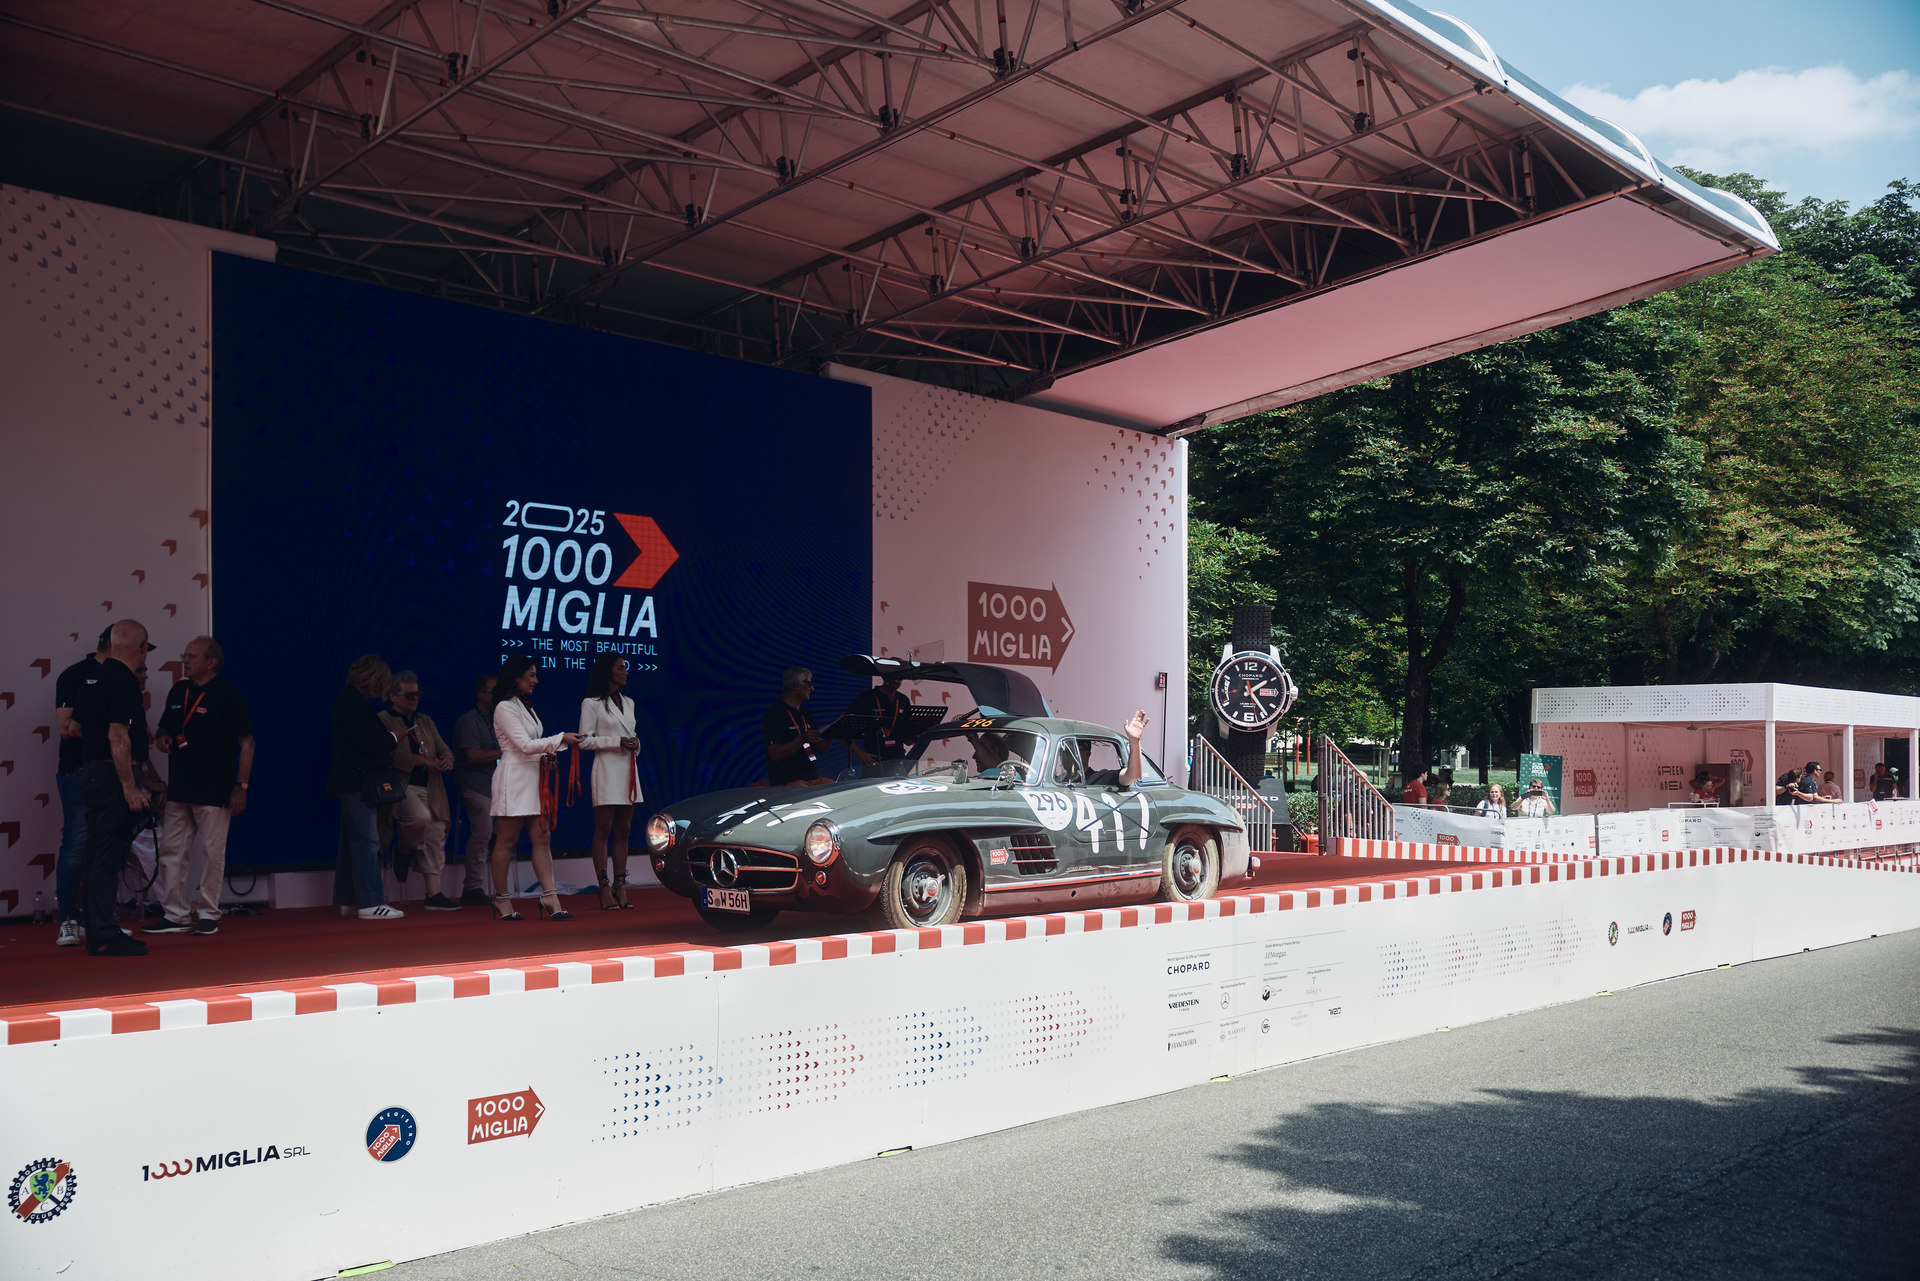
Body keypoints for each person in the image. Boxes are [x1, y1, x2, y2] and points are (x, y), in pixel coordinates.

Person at [143, 636, 253, 936]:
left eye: (191, 656)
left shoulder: (228, 695)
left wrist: (241, 786)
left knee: (212, 853)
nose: (185, 661)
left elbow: (247, 743)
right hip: (180, 786)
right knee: (172, 852)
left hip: (214, 788)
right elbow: (165, 728)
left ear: (211, 662)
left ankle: (208, 913)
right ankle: (175, 914)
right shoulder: (179, 690)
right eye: (185, 655)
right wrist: (163, 737)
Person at [73, 620, 157, 956]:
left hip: (92, 772)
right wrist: (130, 787)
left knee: (96, 854)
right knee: (107, 857)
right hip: (112, 775)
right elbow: (117, 735)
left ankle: (98, 930)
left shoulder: (92, 678)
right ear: (141, 648)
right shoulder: (124, 680)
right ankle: (105, 933)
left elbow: (76, 725)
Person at [490, 656, 582, 921]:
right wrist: (561, 738)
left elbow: (534, 746)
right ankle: (502, 899)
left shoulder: (523, 705)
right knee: (506, 841)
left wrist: (552, 752)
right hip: (513, 779)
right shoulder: (504, 707)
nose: (536, 680)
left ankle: (550, 896)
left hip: (534, 778)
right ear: (516, 677)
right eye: (531, 675)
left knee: (542, 838)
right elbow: (523, 745)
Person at [328, 654, 405, 920]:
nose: (383, 688)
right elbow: (365, 743)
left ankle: (351, 900)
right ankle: (371, 902)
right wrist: (392, 738)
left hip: (350, 780)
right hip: (357, 781)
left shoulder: (349, 700)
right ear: (373, 678)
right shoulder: (353, 703)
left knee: (352, 842)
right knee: (366, 840)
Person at [379, 671, 460, 911]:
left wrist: (447, 759)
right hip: (401, 787)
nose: (414, 699)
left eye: (417, 694)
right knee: (420, 819)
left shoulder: (424, 720)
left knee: (436, 832)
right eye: (409, 695)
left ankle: (433, 894)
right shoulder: (383, 719)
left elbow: (443, 748)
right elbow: (387, 754)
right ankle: (404, 850)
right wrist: (423, 761)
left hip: (432, 786)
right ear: (393, 696)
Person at [50, 630, 110, 947]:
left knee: (105, 846)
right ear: (113, 644)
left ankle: (99, 920)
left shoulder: (123, 678)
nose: (141, 655)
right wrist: (114, 727)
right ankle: (69, 919)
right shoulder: (75, 674)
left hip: (113, 772)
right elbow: (66, 727)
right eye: (138, 647)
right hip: (79, 770)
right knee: (76, 843)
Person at [579, 653, 642, 910]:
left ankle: (620, 884)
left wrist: (635, 743)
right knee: (603, 829)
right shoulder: (591, 703)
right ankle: (603, 886)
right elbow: (584, 740)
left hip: (628, 770)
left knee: (624, 829)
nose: (626, 671)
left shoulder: (629, 702)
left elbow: (632, 733)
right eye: (620, 667)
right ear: (608, 671)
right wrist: (616, 742)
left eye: (626, 667)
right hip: (606, 770)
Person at [450, 675, 501, 905]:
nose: (498, 697)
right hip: (475, 785)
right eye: (493, 692)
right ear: (481, 694)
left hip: (498, 785)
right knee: (483, 830)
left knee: (506, 827)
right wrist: (504, 752)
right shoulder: (469, 720)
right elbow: (472, 755)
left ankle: (500, 884)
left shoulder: (500, 720)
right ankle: (473, 887)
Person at [764, 667, 828, 786]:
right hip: (789, 782)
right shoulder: (775, 713)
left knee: (836, 787)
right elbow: (775, 754)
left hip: (812, 777)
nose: (812, 689)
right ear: (796, 685)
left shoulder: (804, 712)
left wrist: (835, 731)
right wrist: (802, 739)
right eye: (809, 684)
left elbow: (821, 748)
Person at [847, 674, 913, 768]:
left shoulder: (903, 700)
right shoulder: (867, 697)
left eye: (900, 678)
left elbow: (908, 739)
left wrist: (914, 736)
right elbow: (840, 727)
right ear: (884, 676)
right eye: (893, 676)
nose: (896, 680)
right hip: (873, 762)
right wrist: (859, 753)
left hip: (898, 761)